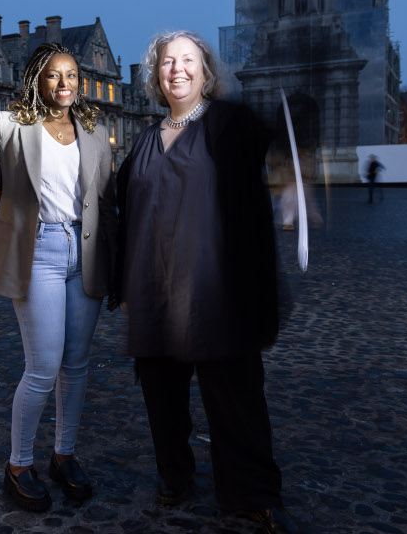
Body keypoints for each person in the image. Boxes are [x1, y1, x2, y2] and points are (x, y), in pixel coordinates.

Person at [116, 31, 300, 534]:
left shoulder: (227, 123)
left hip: (216, 288)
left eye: (188, 60)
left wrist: (286, 181)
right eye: (167, 61)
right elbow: (123, 209)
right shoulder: (144, 141)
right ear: (155, 75)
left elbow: (274, 139)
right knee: (162, 398)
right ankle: (174, 476)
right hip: (153, 288)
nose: (177, 69)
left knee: (235, 397)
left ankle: (253, 493)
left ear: (206, 71)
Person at [0, 43, 117, 512]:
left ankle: (64, 455)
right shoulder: (12, 126)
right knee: (43, 367)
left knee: (77, 365)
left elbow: (109, 199)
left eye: (72, 75)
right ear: (37, 80)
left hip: (86, 253)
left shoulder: (94, 129)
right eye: (54, 76)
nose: (65, 84)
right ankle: (19, 464)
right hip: (39, 253)